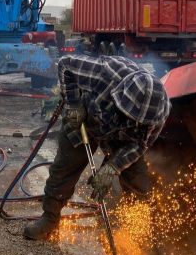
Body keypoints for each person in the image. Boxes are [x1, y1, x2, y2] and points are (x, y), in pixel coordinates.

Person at [24, 54, 171, 240]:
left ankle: (141, 237)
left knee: (138, 183)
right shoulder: (105, 72)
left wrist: (112, 167)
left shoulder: (159, 112)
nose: (133, 122)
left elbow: (140, 145)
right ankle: (49, 220)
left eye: (138, 121)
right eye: (129, 117)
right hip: (85, 121)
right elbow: (65, 65)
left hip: (123, 139)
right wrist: (74, 103)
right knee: (63, 170)